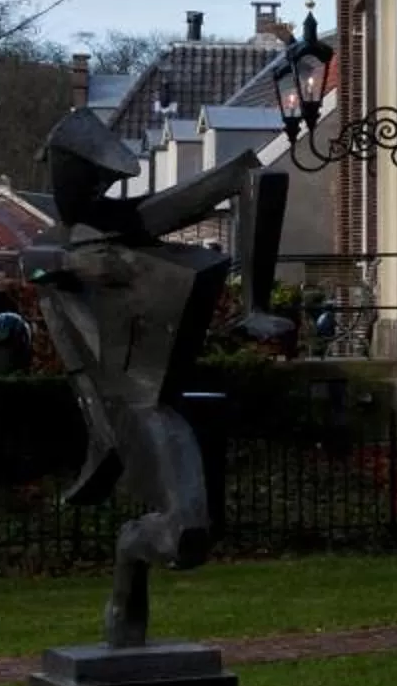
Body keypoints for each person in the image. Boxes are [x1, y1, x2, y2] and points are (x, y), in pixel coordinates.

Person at [31, 111, 289, 648]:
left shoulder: (128, 224)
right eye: (86, 178)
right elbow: (36, 262)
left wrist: (254, 302)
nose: (94, 190)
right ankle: (130, 553)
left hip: (163, 399)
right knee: (183, 535)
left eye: (100, 180)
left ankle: (132, 576)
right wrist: (78, 267)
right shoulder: (55, 246)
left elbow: (254, 177)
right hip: (130, 406)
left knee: (192, 536)